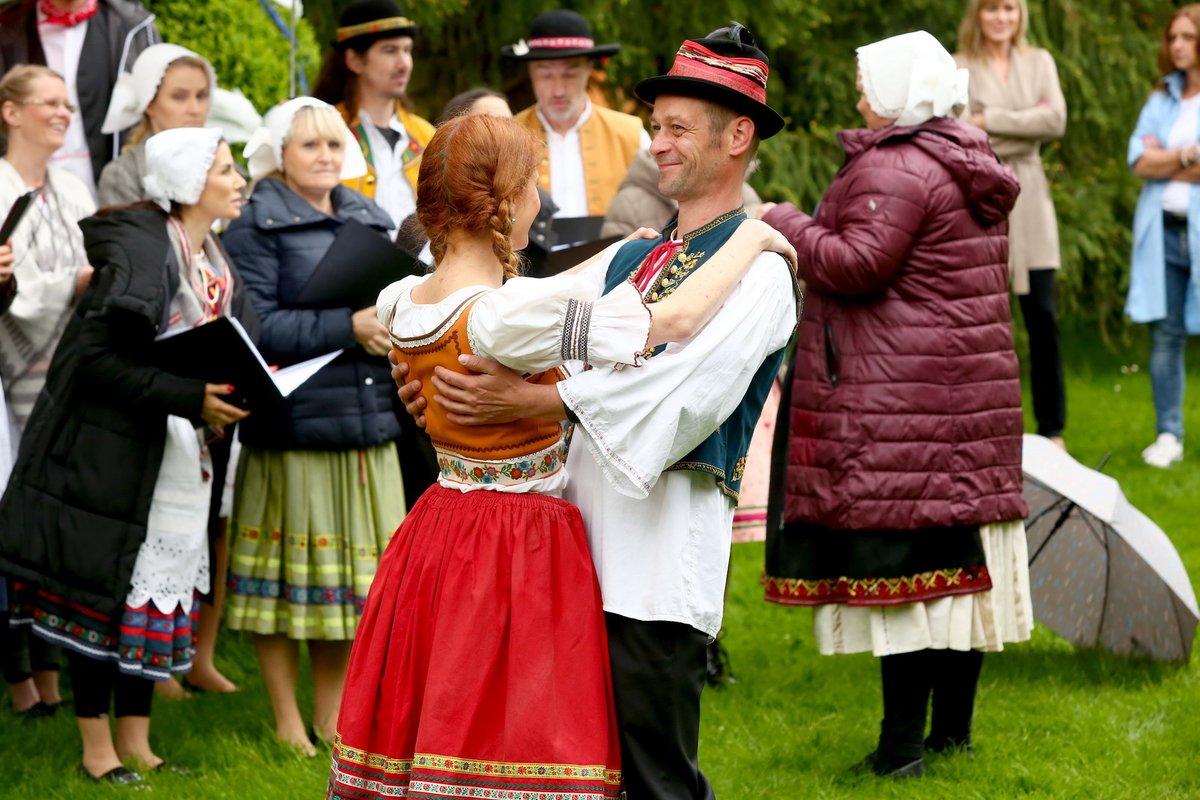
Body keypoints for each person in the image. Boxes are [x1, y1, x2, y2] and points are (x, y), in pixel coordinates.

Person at [328, 110, 793, 800]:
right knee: (525, 736)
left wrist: (620, 255)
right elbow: (671, 321)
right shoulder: (502, 316)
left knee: (450, 715)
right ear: (508, 201)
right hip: (518, 544)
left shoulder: (400, 302)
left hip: (439, 535)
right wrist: (755, 234)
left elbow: (546, 296)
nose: (540, 201)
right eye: (533, 186)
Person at [759, 31, 1031, 778]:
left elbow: (856, 263)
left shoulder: (897, 163)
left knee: (905, 582)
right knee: (955, 576)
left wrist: (781, 222)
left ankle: (901, 751)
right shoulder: (962, 152)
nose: (857, 95)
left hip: (900, 403)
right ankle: (951, 736)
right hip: (958, 402)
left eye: (865, 81)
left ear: (897, 85)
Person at [0, 126, 252, 784]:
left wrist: (220, 397)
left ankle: (137, 745)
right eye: (225, 169)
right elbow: (93, 361)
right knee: (102, 597)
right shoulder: (141, 256)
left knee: (149, 601)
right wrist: (188, 394)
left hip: (176, 451)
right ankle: (96, 751)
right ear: (190, 185)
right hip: (111, 452)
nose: (237, 179)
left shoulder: (209, 257)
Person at [221, 96, 403, 755]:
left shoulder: (369, 218)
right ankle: (285, 720)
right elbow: (257, 328)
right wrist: (347, 327)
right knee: (286, 586)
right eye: (309, 146)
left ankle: (330, 717)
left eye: (333, 145)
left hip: (365, 417)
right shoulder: (253, 226)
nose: (326, 156)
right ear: (278, 156)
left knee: (346, 591)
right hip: (295, 425)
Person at [0, 63, 97, 718]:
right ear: (10, 112)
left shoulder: (71, 187)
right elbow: (18, 293)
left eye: (68, 103)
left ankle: (50, 663)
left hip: (73, 369)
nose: (64, 112)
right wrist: (76, 284)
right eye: (50, 102)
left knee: (60, 518)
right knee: (18, 520)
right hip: (15, 372)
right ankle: (18, 674)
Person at [955, 0, 1068, 448]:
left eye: (1009, 8)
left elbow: (1055, 119)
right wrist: (1024, 120)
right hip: (983, 193)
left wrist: (991, 118)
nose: (1001, 17)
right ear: (977, 15)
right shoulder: (961, 65)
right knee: (985, 314)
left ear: (1020, 14)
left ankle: (1053, 428)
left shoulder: (1040, 61)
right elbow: (963, 129)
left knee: (1042, 313)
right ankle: (985, 422)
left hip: (1033, 198)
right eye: (992, 9)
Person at [1126, 2, 1200, 468]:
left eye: (1187, 37)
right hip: (1165, 235)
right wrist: (1189, 157)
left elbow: (1154, 160)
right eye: (1172, 37)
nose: (1176, 45)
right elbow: (1137, 160)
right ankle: (1168, 433)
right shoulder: (1162, 98)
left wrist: (1166, 159)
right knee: (1165, 335)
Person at [0, 0, 160, 195]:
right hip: (18, 190)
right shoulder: (7, 24)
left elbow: (158, 114)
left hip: (112, 193)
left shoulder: (132, 27)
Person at [502, 9, 649, 219]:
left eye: (570, 74)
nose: (558, 89)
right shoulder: (508, 135)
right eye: (546, 75)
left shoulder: (630, 135)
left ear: (589, 69)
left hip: (616, 250)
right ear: (531, 72)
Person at [313, 0, 435, 233]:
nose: (404, 64)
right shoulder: (323, 129)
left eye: (407, 50)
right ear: (355, 61)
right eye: (390, 51)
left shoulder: (428, 136)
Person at [96, 43, 214, 207]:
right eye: (179, 97)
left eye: (202, 95)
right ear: (149, 103)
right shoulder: (123, 175)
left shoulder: (224, 164)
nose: (195, 109)